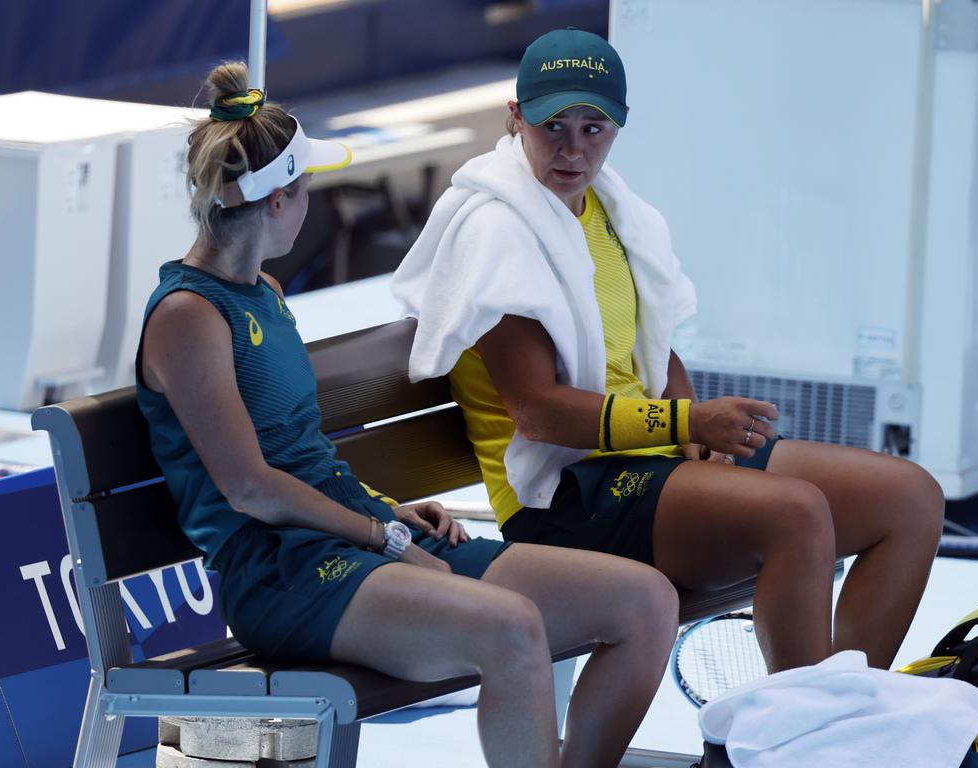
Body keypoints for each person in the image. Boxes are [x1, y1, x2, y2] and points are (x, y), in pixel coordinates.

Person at [135, 61, 681, 768]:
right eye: (307, 192)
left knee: (643, 601)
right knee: (513, 628)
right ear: (277, 203)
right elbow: (251, 487)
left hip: (350, 539)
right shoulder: (188, 316)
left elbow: (299, 453)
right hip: (280, 577)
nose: (310, 206)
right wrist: (382, 533)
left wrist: (389, 512)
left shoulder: (262, 290)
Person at [392, 28, 945, 674]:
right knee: (795, 514)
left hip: (648, 461)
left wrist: (689, 423)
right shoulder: (495, 231)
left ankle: (835, 723)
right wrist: (688, 420)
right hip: (566, 498)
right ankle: (804, 736)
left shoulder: (605, 208)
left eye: (593, 129)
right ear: (516, 117)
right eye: (553, 127)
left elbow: (653, 350)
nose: (573, 150)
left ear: (620, 125)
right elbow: (538, 413)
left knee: (910, 498)